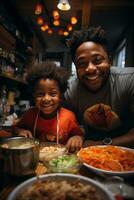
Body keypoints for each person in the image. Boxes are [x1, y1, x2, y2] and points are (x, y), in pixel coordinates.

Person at [64, 26, 134, 147]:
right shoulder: (68, 91)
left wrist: (101, 144)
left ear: (109, 60)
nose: (90, 68)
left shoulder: (130, 80)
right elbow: (66, 128)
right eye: (82, 64)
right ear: (76, 67)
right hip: (84, 155)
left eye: (97, 60)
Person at [14, 61, 84, 152]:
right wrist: (20, 131)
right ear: (34, 96)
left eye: (53, 94)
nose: (46, 99)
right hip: (34, 159)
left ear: (60, 95)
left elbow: (79, 135)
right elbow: (16, 128)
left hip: (59, 162)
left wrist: (77, 138)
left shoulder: (69, 116)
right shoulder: (30, 114)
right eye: (40, 94)